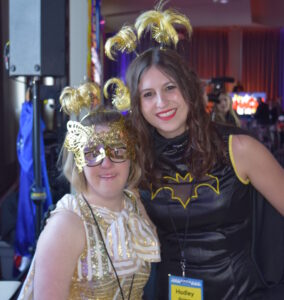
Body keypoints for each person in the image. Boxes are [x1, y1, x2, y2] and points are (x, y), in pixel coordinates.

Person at [103, 4, 284, 299]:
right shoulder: (136, 160)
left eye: (170, 88)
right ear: (138, 105)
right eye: (148, 94)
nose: (161, 102)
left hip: (243, 294)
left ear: (188, 89)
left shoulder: (239, 148)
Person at [17, 82, 160, 300]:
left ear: (132, 156)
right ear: (78, 162)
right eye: (92, 152)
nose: (106, 163)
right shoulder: (66, 225)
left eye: (118, 150)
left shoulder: (135, 205)